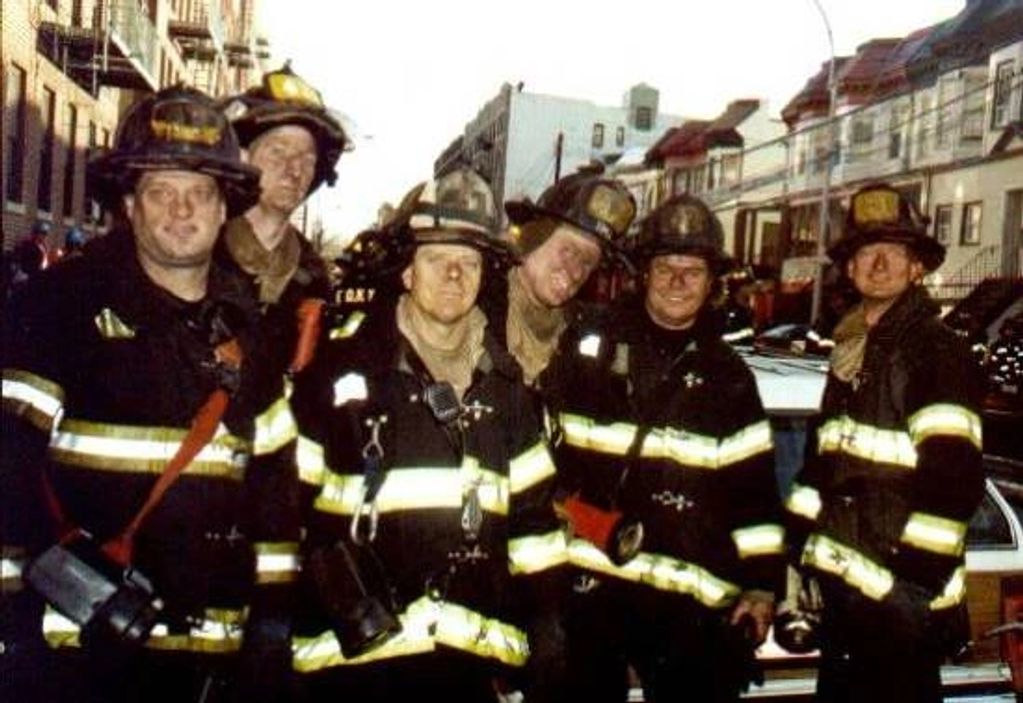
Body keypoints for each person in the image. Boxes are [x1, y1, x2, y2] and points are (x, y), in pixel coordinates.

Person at [1, 86, 300, 703]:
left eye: (199, 194)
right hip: (75, 659)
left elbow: (275, 497)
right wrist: (13, 631)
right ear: (130, 205)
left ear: (224, 210)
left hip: (209, 670)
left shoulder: (256, 334)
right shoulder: (57, 310)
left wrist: (271, 622)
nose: (181, 211)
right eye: (161, 192)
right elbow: (6, 471)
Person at [288, 167, 567, 702]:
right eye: (438, 260)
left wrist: (548, 620)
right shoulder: (339, 374)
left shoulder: (508, 392)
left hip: (465, 668)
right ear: (408, 273)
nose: (455, 276)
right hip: (353, 665)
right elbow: (282, 512)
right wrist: (272, 621)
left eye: (470, 263)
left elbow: (535, 527)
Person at [546, 193, 784, 702]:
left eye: (692, 271)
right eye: (666, 268)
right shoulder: (589, 348)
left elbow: (756, 497)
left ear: (711, 283)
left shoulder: (730, 378)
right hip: (592, 594)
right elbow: (541, 459)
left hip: (689, 615)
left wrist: (763, 587)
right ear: (643, 275)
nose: (678, 282)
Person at [784, 183, 984, 702]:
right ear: (849, 270)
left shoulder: (934, 352)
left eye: (894, 252)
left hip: (897, 611)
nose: (877, 264)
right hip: (844, 598)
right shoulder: (851, 353)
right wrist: (793, 552)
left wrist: (909, 592)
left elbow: (954, 485)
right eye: (865, 252)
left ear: (918, 268)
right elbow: (820, 471)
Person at [218, 63, 350, 375]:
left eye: (307, 159)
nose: (294, 170)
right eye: (279, 152)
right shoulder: (195, 254)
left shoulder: (315, 281)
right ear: (243, 157)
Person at [487, 171, 636, 388]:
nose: (575, 272)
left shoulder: (581, 338)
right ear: (533, 238)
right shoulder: (475, 312)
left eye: (587, 263)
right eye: (568, 251)